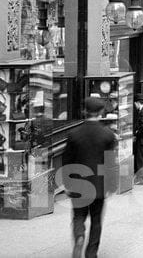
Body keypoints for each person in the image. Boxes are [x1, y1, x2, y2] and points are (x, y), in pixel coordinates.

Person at [61, 97, 117, 258]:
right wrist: (111, 185)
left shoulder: (73, 134)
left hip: (78, 184)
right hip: (99, 185)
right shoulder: (108, 135)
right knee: (96, 220)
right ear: (101, 112)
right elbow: (110, 162)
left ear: (85, 111)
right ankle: (91, 252)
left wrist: (67, 183)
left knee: (78, 216)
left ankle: (79, 235)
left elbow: (67, 160)